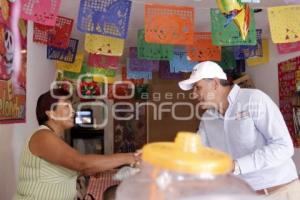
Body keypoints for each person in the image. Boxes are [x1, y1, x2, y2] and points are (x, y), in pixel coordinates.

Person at [178, 61, 300, 199]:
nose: (193, 94)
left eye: (197, 87)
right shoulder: (208, 118)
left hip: (281, 191)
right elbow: (199, 153)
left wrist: (236, 165)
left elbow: (283, 147)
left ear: (215, 83)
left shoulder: (254, 100)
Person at [14, 88, 140, 200]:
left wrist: (89, 170)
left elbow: (64, 171)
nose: (73, 111)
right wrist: (132, 157)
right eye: (66, 107)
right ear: (51, 113)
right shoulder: (42, 136)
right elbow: (82, 163)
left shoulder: (54, 138)